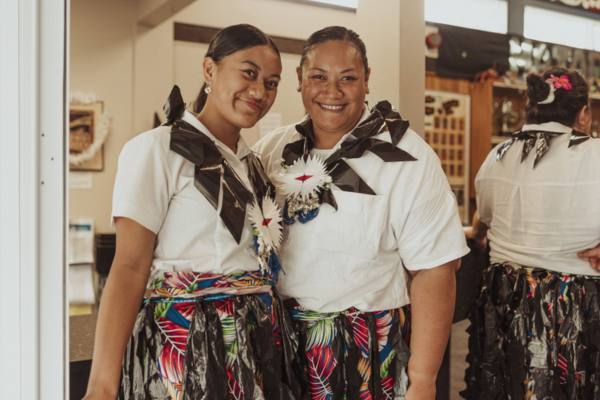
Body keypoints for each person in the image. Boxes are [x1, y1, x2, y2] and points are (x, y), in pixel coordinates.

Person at [83, 24, 302, 400]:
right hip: (188, 341)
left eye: (272, 82)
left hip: (258, 341)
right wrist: (101, 387)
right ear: (209, 71)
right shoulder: (157, 149)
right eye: (248, 72)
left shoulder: (253, 166)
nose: (259, 91)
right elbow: (129, 266)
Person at [253, 26, 469, 400]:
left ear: (367, 81)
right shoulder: (271, 148)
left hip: (367, 351)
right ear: (300, 81)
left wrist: (422, 381)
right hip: (278, 347)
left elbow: (436, 270)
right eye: (318, 77)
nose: (331, 92)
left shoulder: (406, 156)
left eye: (347, 78)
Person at [463, 67, 600, 400]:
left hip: (506, 301)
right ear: (583, 114)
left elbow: (484, 220)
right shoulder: (595, 154)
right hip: (576, 304)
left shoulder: (497, 156)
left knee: (507, 387)